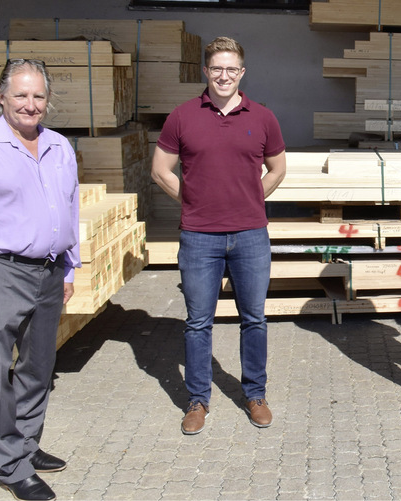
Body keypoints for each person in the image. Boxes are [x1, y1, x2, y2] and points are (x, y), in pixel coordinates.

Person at [151, 37, 286, 434]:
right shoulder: (182, 116)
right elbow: (161, 169)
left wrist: (248, 199)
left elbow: (277, 169)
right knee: (197, 322)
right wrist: (191, 201)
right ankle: (197, 400)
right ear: (205, 72)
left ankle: (255, 394)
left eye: (231, 69)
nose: (223, 75)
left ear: (241, 73)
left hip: (250, 236)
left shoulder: (263, 117)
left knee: (254, 318)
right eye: (216, 68)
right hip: (199, 238)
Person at [0, 59, 80, 501]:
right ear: (0, 96)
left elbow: (70, 207)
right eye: (20, 95)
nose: (30, 104)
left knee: (37, 367)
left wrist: (72, 266)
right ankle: (7, 463)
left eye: (38, 96)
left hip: (50, 271)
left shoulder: (60, 147)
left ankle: (25, 443)